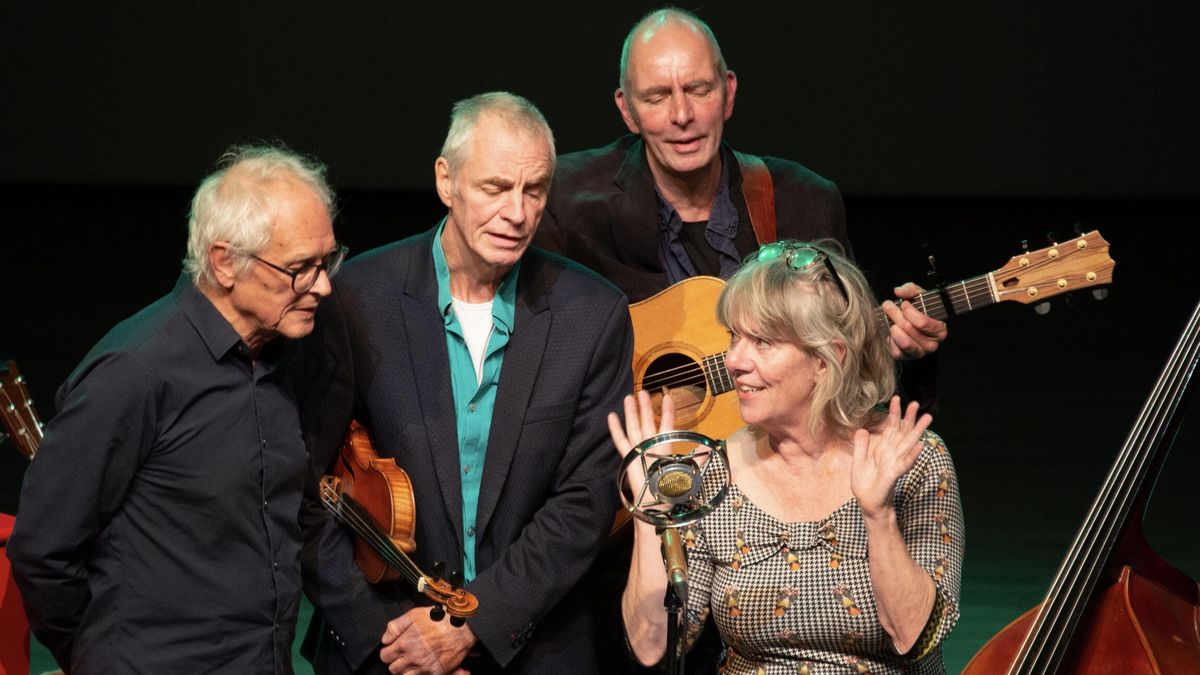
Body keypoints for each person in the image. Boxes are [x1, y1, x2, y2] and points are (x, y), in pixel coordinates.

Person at [297, 92, 633, 675]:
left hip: (530, 651)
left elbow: (585, 502)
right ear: (445, 181)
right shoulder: (356, 298)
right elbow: (307, 486)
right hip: (384, 650)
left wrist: (476, 623)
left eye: (534, 191)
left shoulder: (593, 314)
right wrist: (389, 643)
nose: (518, 213)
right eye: (495, 188)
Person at [7, 145, 342, 673]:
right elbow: (43, 551)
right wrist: (99, 656)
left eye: (328, 261)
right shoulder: (134, 371)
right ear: (225, 261)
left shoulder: (287, 359)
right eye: (300, 268)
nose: (322, 286)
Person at [610, 241, 964, 674]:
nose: (735, 360)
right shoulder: (714, 470)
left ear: (827, 359)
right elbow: (654, 647)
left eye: (762, 342)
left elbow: (915, 638)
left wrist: (878, 515)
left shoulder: (914, 460)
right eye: (734, 337)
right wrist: (653, 515)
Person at [534, 7, 945, 365]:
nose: (682, 114)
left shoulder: (803, 202)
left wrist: (899, 354)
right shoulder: (569, 202)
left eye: (698, 90)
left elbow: (848, 367)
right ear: (628, 111)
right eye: (658, 97)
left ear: (728, 93)